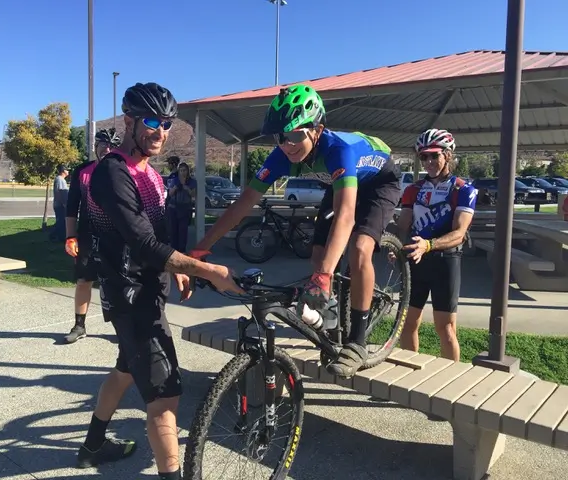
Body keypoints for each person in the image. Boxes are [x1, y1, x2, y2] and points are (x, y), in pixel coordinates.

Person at [79, 82, 242, 480]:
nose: (161, 132)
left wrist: (179, 268)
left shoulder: (150, 173)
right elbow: (143, 244)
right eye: (152, 122)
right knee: (165, 398)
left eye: (167, 124)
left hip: (146, 293)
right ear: (129, 120)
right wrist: (210, 271)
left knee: (125, 369)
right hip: (131, 298)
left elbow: (159, 233)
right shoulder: (112, 173)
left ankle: (93, 446)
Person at [192, 84, 401, 378]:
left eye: (293, 135)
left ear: (317, 130)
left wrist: (325, 275)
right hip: (341, 183)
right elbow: (243, 204)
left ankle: (358, 342)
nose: (286, 144)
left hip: (380, 183)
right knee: (317, 256)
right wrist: (201, 249)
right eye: (279, 137)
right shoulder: (281, 156)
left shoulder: (337, 150)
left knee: (358, 249)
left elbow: (345, 215)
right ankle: (332, 324)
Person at [396, 128, 477, 362]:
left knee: (446, 329)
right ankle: (409, 373)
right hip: (416, 260)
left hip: (445, 262)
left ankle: (451, 379)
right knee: (407, 323)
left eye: (434, 155)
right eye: (424, 156)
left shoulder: (463, 189)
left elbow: (459, 233)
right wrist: (397, 247)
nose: (429, 161)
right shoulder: (413, 190)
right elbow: (403, 226)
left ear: (448, 155)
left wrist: (429, 245)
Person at [63, 128, 121, 344]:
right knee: (83, 280)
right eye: (103, 145)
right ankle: (79, 326)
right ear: (96, 146)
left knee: (118, 283)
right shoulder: (83, 171)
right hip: (88, 236)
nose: (107, 149)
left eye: (112, 146)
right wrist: (70, 237)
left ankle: (122, 328)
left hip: (116, 237)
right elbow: (72, 207)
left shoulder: (124, 171)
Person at [167, 162, 196, 252]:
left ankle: (182, 250)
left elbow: (193, 194)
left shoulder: (192, 181)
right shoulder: (175, 180)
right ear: (179, 171)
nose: (183, 172)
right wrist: (176, 187)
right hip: (173, 207)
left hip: (185, 208)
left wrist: (185, 187)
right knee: (173, 231)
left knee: (183, 231)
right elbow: (170, 193)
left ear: (188, 171)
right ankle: (174, 250)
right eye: (181, 171)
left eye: (185, 170)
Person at [52, 164, 69, 241]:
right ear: (63, 171)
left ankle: (57, 236)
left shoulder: (60, 179)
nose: (68, 171)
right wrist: (64, 204)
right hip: (60, 205)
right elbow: (61, 193)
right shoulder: (60, 180)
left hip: (60, 204)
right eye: (67, 170)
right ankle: (57, 236)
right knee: (61, 222)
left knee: (61, 221)